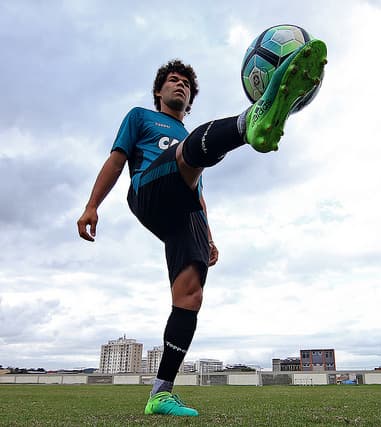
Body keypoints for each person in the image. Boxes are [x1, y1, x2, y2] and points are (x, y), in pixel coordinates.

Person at [77, 39, 327, 417]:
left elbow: (199, 194)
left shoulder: (194, 141)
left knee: (189, 297)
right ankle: (250, 121)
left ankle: (160, 394)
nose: (180, 85)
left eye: (186, 85)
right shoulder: (140, 118)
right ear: (159, 91)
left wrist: (209, 235)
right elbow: (115, 161)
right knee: (191, 151)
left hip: (186, 211)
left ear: (190, 98)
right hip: (150, 191)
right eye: (173, 81)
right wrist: (92, 205)